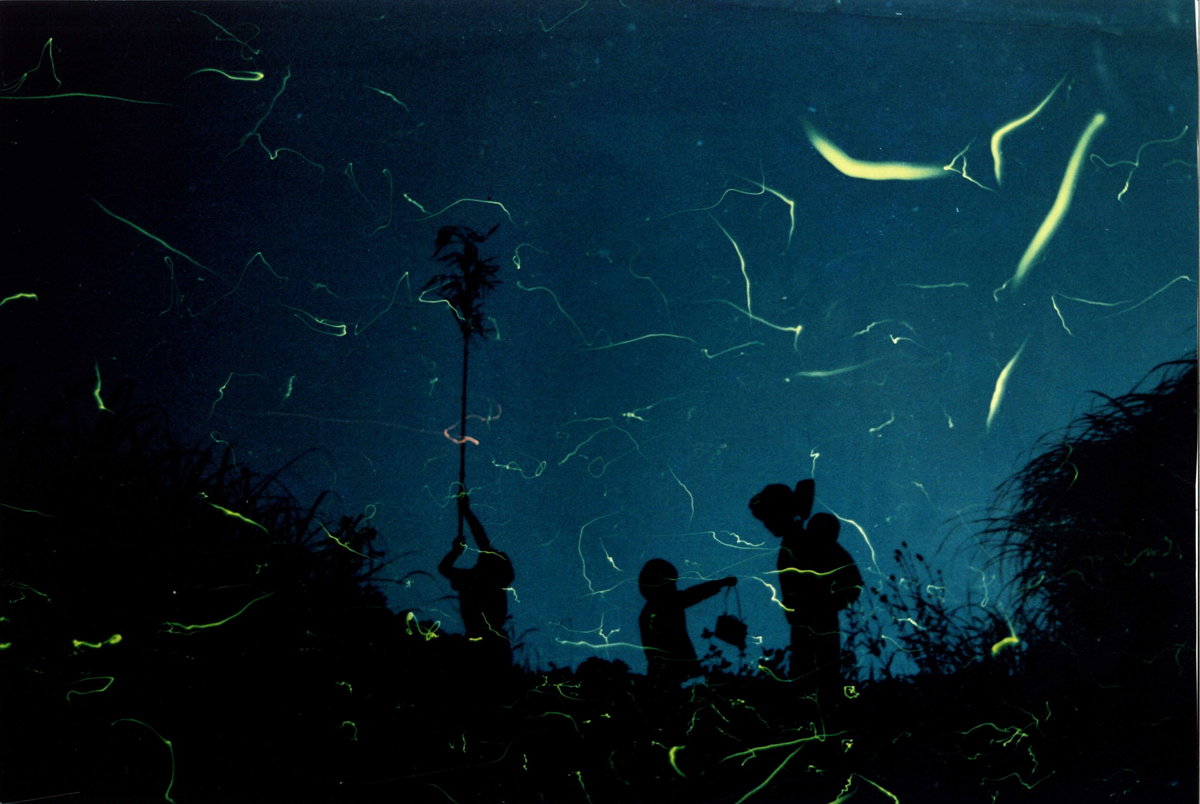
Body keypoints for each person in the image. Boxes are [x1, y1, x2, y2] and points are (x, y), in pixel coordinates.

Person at [750, 480, 862, 696]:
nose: (766, 524)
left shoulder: (805, 540)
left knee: (817, 679)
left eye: (767, 517)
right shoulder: (796, 540)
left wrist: (824, 605)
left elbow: (852, 579)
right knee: (814, 678)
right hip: (808, 622)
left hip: (816, 622)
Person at [438, 495, 515, 670]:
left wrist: (456, 552)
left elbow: (444, 568)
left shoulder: (475, 578)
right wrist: (466, 511)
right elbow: (483, 543)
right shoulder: (489, 578)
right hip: (492, 642)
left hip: (478, 640)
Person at [638, 558, 736, 687]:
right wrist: (721, 583)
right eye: (672, 582)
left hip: (661, 669)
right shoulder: (664, 604)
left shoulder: (647, 612)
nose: (675, 586)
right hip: (672, 668)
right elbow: (692, 594)